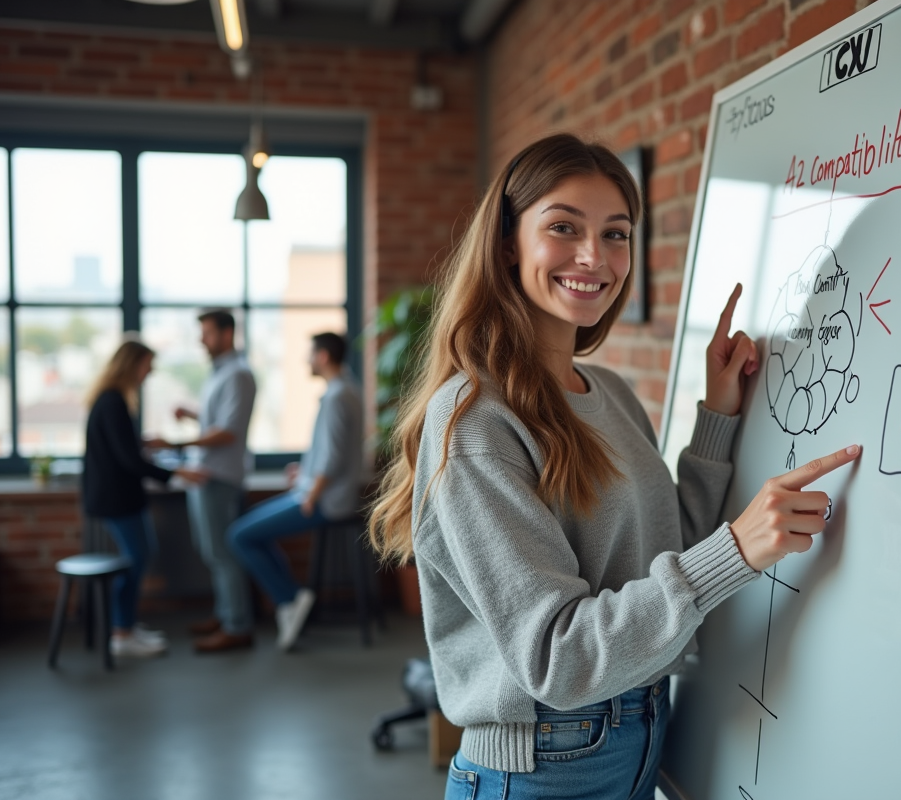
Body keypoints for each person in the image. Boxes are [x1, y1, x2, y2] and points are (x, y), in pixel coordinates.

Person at [367, 133, 860, 799]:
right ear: (509, 242)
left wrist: (718, 416)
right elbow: (556, 656)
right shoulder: (476, 420)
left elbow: (667, 548)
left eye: (616, 233)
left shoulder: (609, 393)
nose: (594, 257)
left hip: (639, 729)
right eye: (563, 227)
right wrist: (737, 549)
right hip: (543, 764)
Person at [228, 332, 364, 651]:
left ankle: (289, 599)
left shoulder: (336, 397)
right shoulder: (348, 390)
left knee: (239, 535)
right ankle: (290, 598)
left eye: (310, 354)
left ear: (323, 357)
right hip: (320, 491)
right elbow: (334, 452)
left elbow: (331, 459)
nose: (306, 360)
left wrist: (311, 493)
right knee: (248, 533)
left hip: (325, 501)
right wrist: (304, 473)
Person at [83, 339, 207, 658]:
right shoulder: (112, 402)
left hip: (119, 497)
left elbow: (123, 447)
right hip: (116, 498)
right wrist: (178, 474)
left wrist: (143, 444)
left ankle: (126, 625)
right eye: (147, 365)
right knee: (135, 560)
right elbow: (129, 460)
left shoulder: (112, 400)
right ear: (133, 364)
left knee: (138, 557)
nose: (149, 372)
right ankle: (122, 633)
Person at [148, 310, 257, 654]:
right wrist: (193, 414)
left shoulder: (238, 374)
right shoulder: (221, 373)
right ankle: (225, 615)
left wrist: (174, 443)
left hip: (219, 478)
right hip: (206, 475)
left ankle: (238, 626)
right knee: (212, 552)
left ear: (227, 334)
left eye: (207, 333)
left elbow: (227, 432)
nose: (201, 340)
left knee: (223, 554)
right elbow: (218, 419)